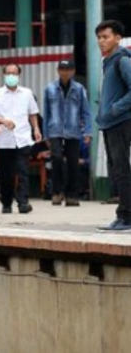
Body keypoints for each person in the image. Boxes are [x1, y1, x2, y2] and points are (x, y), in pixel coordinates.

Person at [0, 63, 41, 214]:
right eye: (8, 73)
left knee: (23, 171)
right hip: (4, 140)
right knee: (5, 174)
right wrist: (3, 121)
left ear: (19, 75)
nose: (11, 76)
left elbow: (32, 113)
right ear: (4, 75)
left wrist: (36, 128)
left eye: (14, 73)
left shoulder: (27, 93)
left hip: (23, 138)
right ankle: (6, 202)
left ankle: (23, 202)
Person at [95, 20, 131, 231]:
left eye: (105, 37)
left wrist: (116, 109)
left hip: (120, 122)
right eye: (99, 37)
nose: (101, 41)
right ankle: (122, 215)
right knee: (118, 171)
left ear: (118, 38)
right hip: (110, 124)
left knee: (122, 171)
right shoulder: (108, 63)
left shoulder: (122, 61)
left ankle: (127, 217)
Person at [43, 59, 92, 207]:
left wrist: (88, 132)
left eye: (68, 69)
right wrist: (46, 134)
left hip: (73, 130)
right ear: (58, 71)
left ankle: (72, 195)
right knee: (56, 159)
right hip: (55, 130)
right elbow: (46, 113)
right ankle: (57, 192)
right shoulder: (49, 89)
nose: (65, 72)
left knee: (73, 162)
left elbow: (86, 112)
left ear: (73, 71)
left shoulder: (79, 89)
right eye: (62, 69)